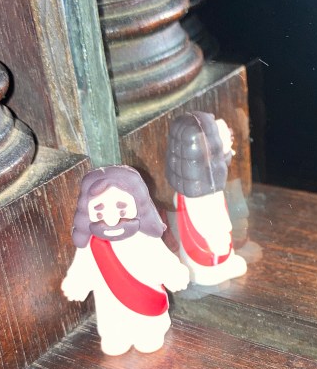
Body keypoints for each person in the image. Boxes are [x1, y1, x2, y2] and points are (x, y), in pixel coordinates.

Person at [62, 165, 190, 355]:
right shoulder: (91, 245)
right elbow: (83, 268)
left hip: (146, 302)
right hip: (110, 304)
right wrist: (77, 283)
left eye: (121, 209)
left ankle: (151, 331)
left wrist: (174, 274)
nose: (112, 219)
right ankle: (116, 335)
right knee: (113, 325)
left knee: (148, 334)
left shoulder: (145, 238)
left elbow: (161, 259)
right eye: (100, 210)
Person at [165, 111, 248, 286]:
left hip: (208, 200)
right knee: (212, 239)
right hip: (204, 239)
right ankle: (207, 269)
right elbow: (211, 226)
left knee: (219, 239)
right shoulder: (197, 193)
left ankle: (223, 262)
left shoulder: (199, 181)